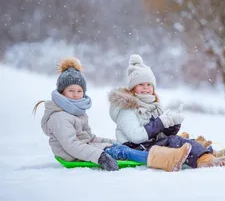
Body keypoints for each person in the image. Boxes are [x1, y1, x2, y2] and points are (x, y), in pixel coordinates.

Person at [33, 57, 192, 172]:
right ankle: (164, 159)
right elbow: (72, 146)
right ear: (62, 92)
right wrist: (100, 156)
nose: (76, 95)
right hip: (73, 155)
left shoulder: (77, 113)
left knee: (120, 147)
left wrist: (114, 142)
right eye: (71, 91)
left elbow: (90, 138)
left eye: (79, 91)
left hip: (87, 148)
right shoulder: (59, 117)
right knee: (124, 152)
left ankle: (172, 153)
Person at [108, 54, 225, 169]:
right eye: (141, 84)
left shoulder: (152, 106)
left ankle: (210, 152)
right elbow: (136, 136)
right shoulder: (126, 109)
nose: (146, 87)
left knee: (176, 138)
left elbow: (160, 134)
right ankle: (204, 159)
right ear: (132, 88)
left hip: (148, 144)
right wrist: (160, 123)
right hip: (135, 148)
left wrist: (172, 124)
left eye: (149, 84)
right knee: (175, 142)